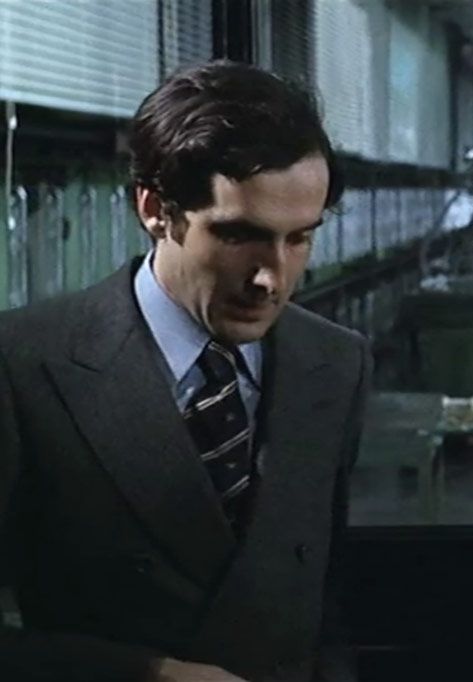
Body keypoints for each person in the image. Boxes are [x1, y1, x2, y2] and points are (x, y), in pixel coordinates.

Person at [0, 60, 370, 682]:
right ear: (155, 210)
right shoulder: (24, 365)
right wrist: (148, 674)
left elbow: (325, 605)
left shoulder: (334, 362)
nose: (270, 278)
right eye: (238, 236)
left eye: (300, 239)